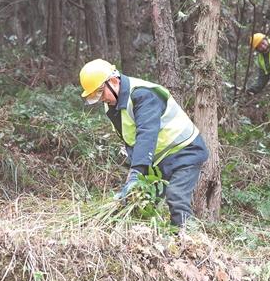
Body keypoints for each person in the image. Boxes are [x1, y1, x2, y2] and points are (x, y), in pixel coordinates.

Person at [79, 59, 208, 227]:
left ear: (113, 81)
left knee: (176, 197)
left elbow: (147, 134)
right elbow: (130, 138)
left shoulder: (143, 95)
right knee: (141, 199)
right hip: (159, 158)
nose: (101, 99)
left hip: (186, 151)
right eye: (94, 96)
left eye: (100, 93)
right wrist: (132, 176)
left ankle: (188, 240)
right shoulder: (112, 106)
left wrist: (136, 173)